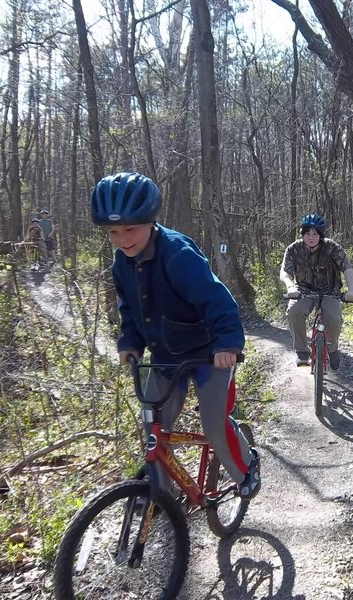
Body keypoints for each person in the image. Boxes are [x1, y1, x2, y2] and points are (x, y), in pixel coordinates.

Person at [90, 171, 260, 499]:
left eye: (130, 229)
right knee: (152, 426)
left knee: (213, 425)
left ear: (150, 222)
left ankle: (246, 469)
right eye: (113, 232)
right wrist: (130, 342)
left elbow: (216, 297)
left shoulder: (177, 253)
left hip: (208, 352)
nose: (123, 239)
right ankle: (161, 496)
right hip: (166, 356)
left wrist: (227, 341)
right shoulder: (121, 264)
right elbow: (130, 309)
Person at [279, 214, 353, 370]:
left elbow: (347, 268)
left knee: (334, 319)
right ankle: (302, 352)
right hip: (303, 291)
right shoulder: (294, 248)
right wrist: (290, 286)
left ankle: (332, 348)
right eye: (307, 233)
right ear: (302, 234)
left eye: (315, 233)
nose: (311, 237)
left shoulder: (332, 247)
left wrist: (352, 290)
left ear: (321, 235)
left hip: (330, 291)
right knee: (293, 311)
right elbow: (284, 272)